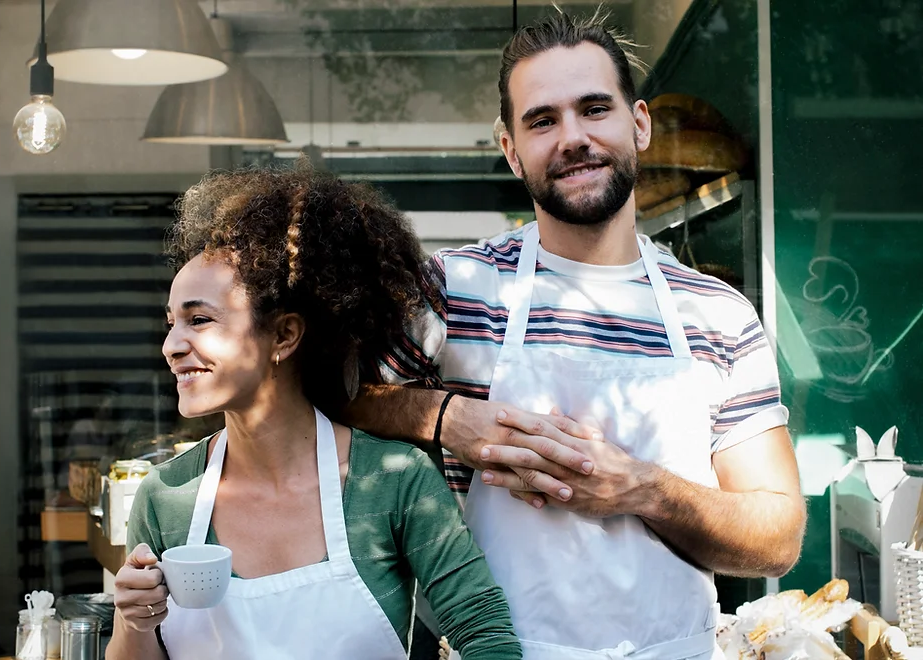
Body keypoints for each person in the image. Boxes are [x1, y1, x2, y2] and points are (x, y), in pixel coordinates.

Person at [345, 8, 806, 660]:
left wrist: (640, 488)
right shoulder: (454, 287)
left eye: (594, 109)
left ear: (638, 124)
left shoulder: (718, 313)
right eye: (542, 120)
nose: (572, 137)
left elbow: (778, 536)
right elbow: (338, 395)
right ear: (510, 150)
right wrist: (446, 419)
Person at [105, 167, 522, 660]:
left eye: (199, 320)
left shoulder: (394, 481)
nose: (172, 346)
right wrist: (134, 623)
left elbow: (487, 636)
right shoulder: (165, 497)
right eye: (171, 323)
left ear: (283, 335)